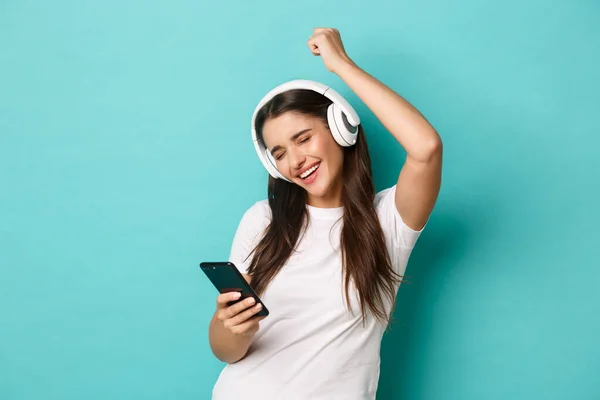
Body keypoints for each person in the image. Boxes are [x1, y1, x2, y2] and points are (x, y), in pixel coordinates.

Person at [208, 27, 442, 399]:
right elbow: (226, 351)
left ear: (341, 128)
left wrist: (342, 66)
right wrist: (232, 327)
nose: (296, 160)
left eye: (303, 138)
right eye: (280, 153)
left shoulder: (389, 221)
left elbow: (426, 148)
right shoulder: (262, 220)